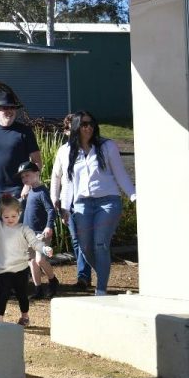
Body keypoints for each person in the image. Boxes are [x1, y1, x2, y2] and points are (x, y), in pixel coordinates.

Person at [65, 110, 136, 295]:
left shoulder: (107, 146)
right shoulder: (67, 151)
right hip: (82, 204)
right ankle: (103, 273)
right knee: (85, 247)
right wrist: (65, 206)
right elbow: (68, 182)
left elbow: (120, 173)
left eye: (91, 123)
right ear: (76, 127)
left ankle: (101, 289)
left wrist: (133, 195)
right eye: (84, 124)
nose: (88, 128)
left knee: (100, 244)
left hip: (107, 202)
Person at [0, 193, 53, 326]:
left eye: (13, 216)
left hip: (21, 269)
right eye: (6, 217)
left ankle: (25, 316)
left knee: (22, 295)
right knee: (2, 295)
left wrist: (44, 249)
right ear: (1, 215)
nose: (10, 219)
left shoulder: (24, 229)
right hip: (3, 270)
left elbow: (35, 243)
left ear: (19, 213)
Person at [50, 114, 92, 290]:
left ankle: (83, 276)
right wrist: (55, 198)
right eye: (68, 128)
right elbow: (56, 176)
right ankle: (84, 275)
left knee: (84, 240)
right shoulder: (63, 151)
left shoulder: (89, 149)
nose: (70, 132)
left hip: (86, 201)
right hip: (68, 201)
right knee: (76, 239)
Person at [0, 90, 41, 203]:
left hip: (20, 192)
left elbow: (37, 162)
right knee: (1, 222)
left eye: (12, 108)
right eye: (5, 108)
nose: (9, 111)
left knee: (21, 222)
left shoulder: (25, 132)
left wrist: (28, 185)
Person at [18, 160, 58, 299]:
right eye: (23, 177)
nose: (25, 179)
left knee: (40, 260)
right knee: (32, 261)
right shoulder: (30, 192)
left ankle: (53, 280)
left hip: (41, 233)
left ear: (37, 173)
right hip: (29, 234)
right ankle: (38, 289)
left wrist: (49, 226)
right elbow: (26, 213)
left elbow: (51, 210)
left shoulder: (42, 191)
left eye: (27, 175)